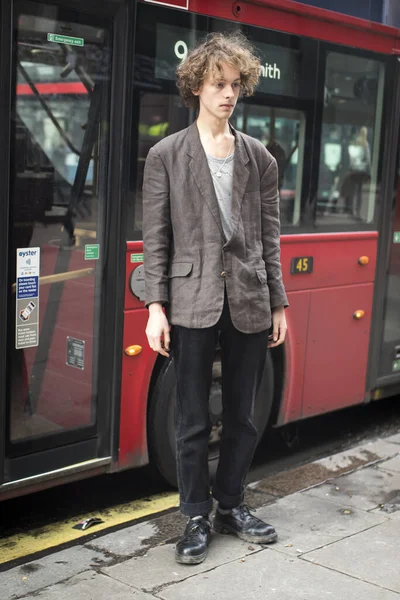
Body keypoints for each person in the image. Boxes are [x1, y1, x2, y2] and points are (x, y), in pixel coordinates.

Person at [142, 32, 288, 565]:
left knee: (245, 416)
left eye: (235, 85)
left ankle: (232, 505)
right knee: (191, 418)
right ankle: (196, 518)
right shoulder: (166, 155)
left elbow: (270, 236)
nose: (228, 94)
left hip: (249, 296)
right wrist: (155, 307)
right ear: (197, 86)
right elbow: (155, 237)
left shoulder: (259, 158)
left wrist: (279, 302)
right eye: (218, 84)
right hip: (191, 298)